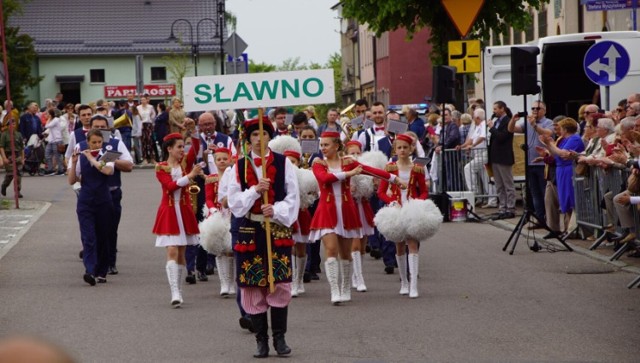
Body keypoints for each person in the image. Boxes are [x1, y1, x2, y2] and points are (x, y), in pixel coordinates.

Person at [227, 117, 299, 358]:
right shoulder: (237, 167)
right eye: (254, 135)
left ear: (270, 137)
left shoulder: (284, 163)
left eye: (263, 134)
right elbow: (234, 203)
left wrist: (276, 210)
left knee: (278, 281)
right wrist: (255, 192)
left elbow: (293, 196)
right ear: (249, 139)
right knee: (252, 284)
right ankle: (261, 340)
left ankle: (280, 338)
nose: (259, 139)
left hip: (276, 228)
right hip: (250, 229)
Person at [310, 131, 403, 304]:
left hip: (346, 209)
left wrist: (393, 178)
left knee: (346, 253)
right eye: (321, 145)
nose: (323, 148)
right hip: (327, 210)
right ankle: (334, 290)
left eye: (326, 145)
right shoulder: (319, 164)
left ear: (336, 145)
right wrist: (349, 174)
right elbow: (325, 179)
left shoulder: (348, 162)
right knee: (331, 250)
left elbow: (370, 170)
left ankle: (346, 287)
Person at [152, 133, 202, 307]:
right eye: (179, 147)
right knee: (172, 250)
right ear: (169, 149)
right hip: (169, 211)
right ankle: (174, 291)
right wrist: (190, 176)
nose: (183, 150)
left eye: (183, 146)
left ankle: (179, 290)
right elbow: (170, 187)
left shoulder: (185, 163)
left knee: (181, 252)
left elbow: (196, 146)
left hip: (184, 210)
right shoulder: (161, 167)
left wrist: (191, 131)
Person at [377, 133, 428, 298]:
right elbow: (381, 191)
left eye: (405, 147)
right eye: (399, 147)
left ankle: (414, 284)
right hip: (397, 210)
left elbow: (424, 190)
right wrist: (392, 201)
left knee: (413, 245)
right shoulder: (390, 167)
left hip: (412, 210)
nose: (402, 150)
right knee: (399, 246)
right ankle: (404, 282)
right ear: (395, 149)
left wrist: (418, 202)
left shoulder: (417, 168)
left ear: (411, 148)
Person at [68, 129, 115, 285]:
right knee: (89, 237)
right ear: (87, 142)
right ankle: (90, 270)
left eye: (99, 142)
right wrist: (74, 163)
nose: (96, 145)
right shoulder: (80, 155)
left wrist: (92, 158)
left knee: (103, 236)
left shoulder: (109, 154)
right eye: (93, 142)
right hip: (86, 201)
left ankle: (102, 271)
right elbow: (72, 180)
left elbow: (107, 170)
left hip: (104, 201)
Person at [507, 100, 554, 227]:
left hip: (543, 164)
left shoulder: (548, 122)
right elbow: (512, 130)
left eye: (538, 108)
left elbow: (547, 133)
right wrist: (513, 120)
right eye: (532, 108)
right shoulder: (527, 122)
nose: (534, 110)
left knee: (545, 193)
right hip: (530, 163)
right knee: (534, 193)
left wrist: (535, 126)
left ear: (544, 110)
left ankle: (549, 220)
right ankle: (539, 219)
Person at [538, 118, 585, 235]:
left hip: (568, 169)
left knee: (570, 198)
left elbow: (562, 154)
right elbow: (555, 153)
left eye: (560, 128)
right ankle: (567, 228)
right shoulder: (565, 139)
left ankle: (571, 229)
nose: (558, 130)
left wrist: (549, 144)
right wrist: (548, 145)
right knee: (564, 199)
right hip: (561, 169)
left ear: (565, 129)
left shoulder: (574, 138)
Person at [204, 147, 235, 297]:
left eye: (224, 159)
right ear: (214, 161)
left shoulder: (234, 175)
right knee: (219, 250)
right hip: (217, 215)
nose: (222, 161)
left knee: (231, 251)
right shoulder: (211, 178)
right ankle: (223, 283)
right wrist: (212, 210)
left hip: (231, 214)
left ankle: (231, 282)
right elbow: (209, 198)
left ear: (229, 159)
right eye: (219, 159)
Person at [344, 140, 372, 292]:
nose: (355, 156)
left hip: (363, 207)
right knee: (354, 244)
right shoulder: (344, 168)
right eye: (351, 153)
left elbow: (371, 190)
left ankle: (356, 275)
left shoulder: (364, 168)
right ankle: (359, 278)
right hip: (351, 208)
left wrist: (368, 187)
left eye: (357, 153)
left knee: (362, 246)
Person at [460, 108, 496, 207]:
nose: (472, 120)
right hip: (478, 153)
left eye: (473, 118)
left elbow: (482, 137)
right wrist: (462, 146)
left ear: (477, 118)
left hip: (483, 152)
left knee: (468, 168)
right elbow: (471, 139)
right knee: (486, 177)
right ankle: (492, 200)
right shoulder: (478, 126)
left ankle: (473, 191)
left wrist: (473, 145)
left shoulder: (484, 125)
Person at [488, 101, 515, 220]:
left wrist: (492, 128)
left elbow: (502, 137)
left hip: (504, 157)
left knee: (507, 184)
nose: (493, 111)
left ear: (502, 109)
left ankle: (510, 208)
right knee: (499, 185)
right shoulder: (497, 121)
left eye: (495, 109)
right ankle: (502, 207)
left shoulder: (507, 121)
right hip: (495, 157)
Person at [0, 120, 25, 198]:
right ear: (8, 125)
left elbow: (22, 148)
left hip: (17, 156)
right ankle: (4, 185)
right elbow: (1, 147)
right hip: (9, 156)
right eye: (11, 124)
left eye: (14, 124)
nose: (13, 126)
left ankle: (17, 191)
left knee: (18, 175)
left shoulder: (18, 134)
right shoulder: (4, 135)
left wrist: (22, 158)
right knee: (10, 175)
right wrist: (4, 158)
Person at [43, 109, 66, 176]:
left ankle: (61, 170)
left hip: (57, 140)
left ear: (50, 114)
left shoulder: (56, 120)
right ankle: (50, 169)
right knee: (47, 154)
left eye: (47, 114)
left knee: (57, 156)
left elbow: (46, 126)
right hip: (51, 140)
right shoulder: (52, 120)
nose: (45, 115)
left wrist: (49, 118)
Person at [138, 95, 157, 164]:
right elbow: (137, 117)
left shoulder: (150, 107)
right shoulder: (138, 108)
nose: (143, 101)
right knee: (143, 142)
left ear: (146, 100)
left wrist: (151, 122)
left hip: (148, 124)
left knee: (150, 141)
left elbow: (153, 115)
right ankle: (145, 158)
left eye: (144, 100)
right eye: (141, 100)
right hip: (142, 125)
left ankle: (152, 158)